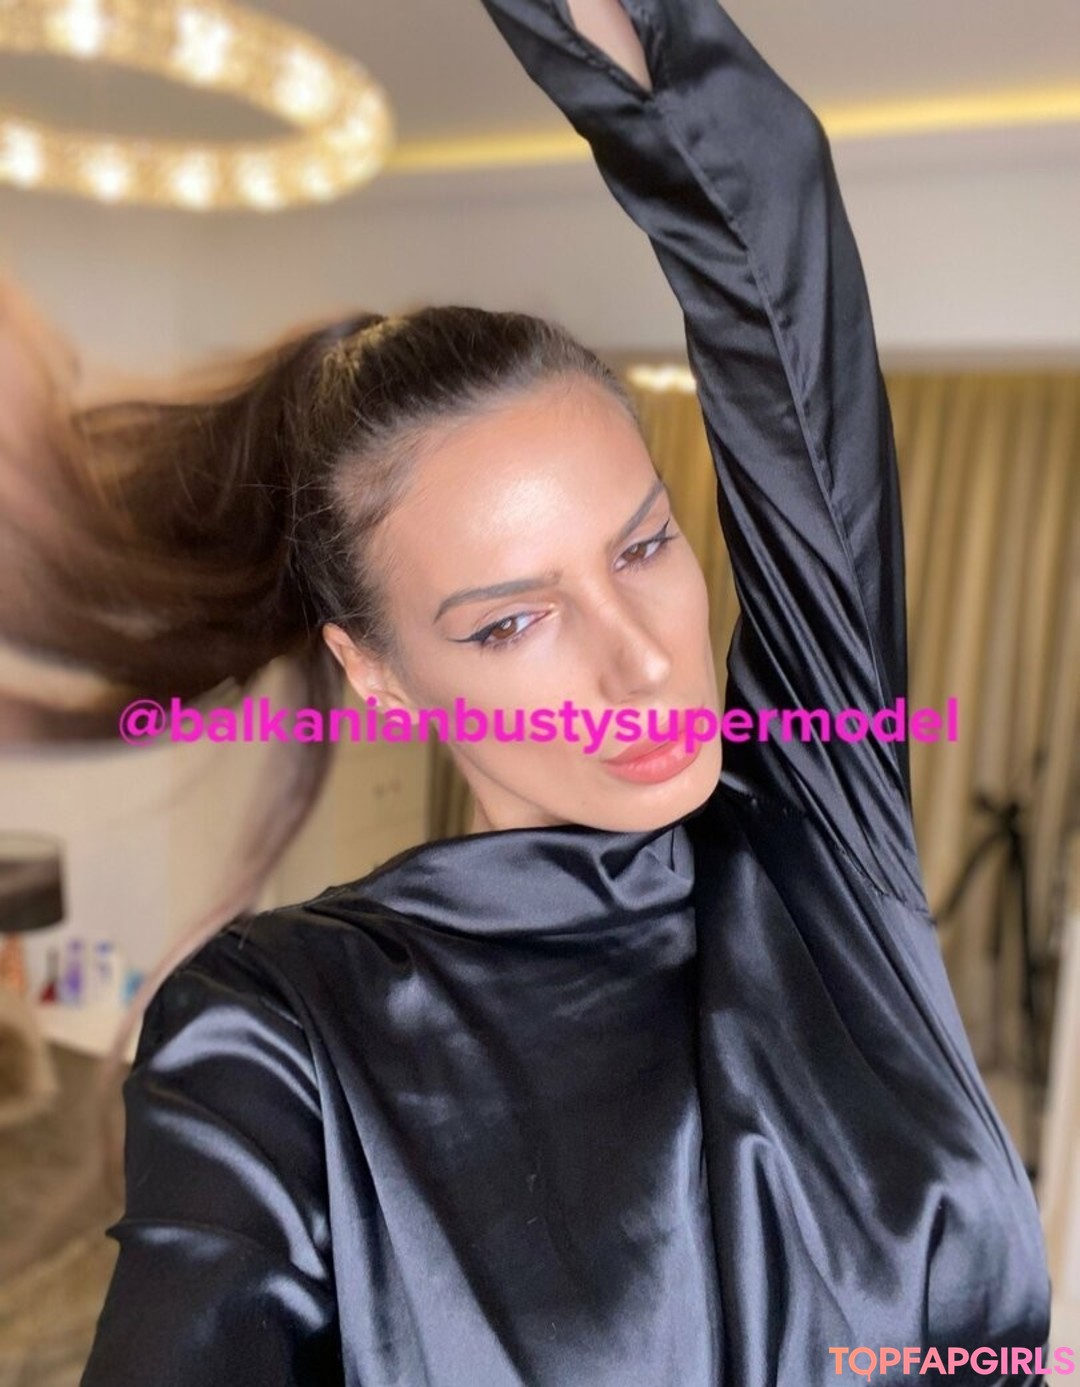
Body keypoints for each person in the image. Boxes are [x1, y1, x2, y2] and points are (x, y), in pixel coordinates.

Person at [0, 0, 1051, 1382]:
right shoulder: (282, 1031)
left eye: (645, 548)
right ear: (377, 675)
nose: (644, 665)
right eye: (511, 623)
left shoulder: (815, 839)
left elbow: (774, 240)